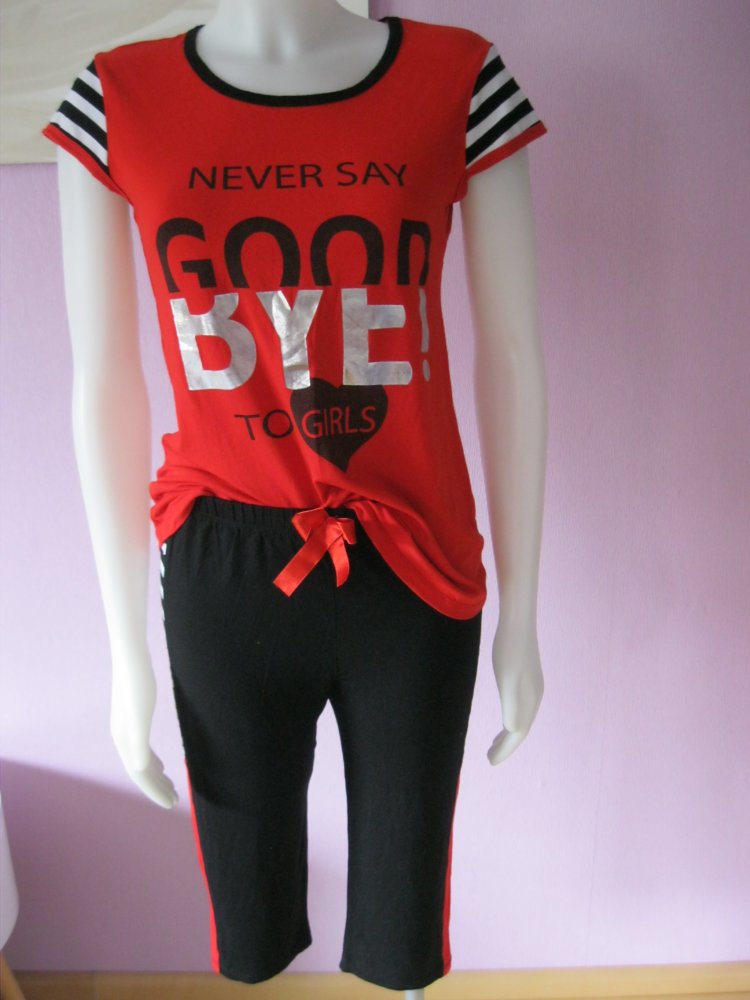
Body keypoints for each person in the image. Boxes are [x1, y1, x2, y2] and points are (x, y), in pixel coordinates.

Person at [43, 2, 548, 995]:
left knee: (405, 908)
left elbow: (514, 355)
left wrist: (523, 614)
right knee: (249, 910)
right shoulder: (117, 98)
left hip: (411, 557)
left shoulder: (456, 80)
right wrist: (124, 652)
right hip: (225, 566)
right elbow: (101, 381)